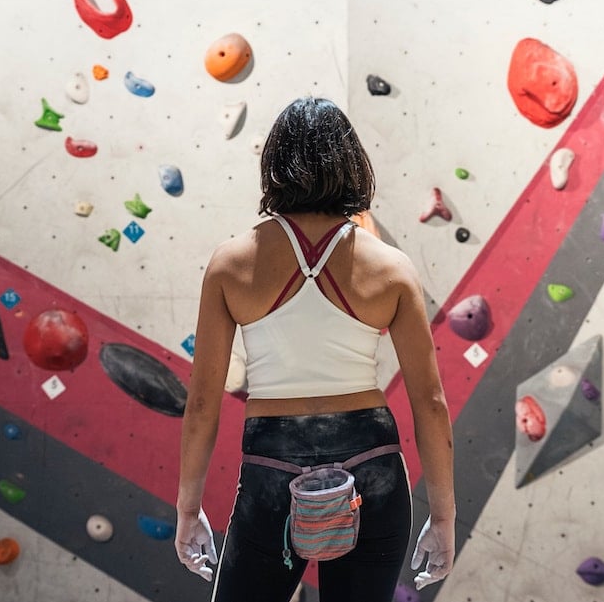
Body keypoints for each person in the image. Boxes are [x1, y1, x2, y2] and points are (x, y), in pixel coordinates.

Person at [175, 97, 455, 601]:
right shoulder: (391, 268)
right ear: (351, 163)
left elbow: (201, 403)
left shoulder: (231, 264)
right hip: (375, 464)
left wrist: (188, 509)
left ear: (273, 167)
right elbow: (430, 402)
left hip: (271, 466)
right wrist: (443, 518)